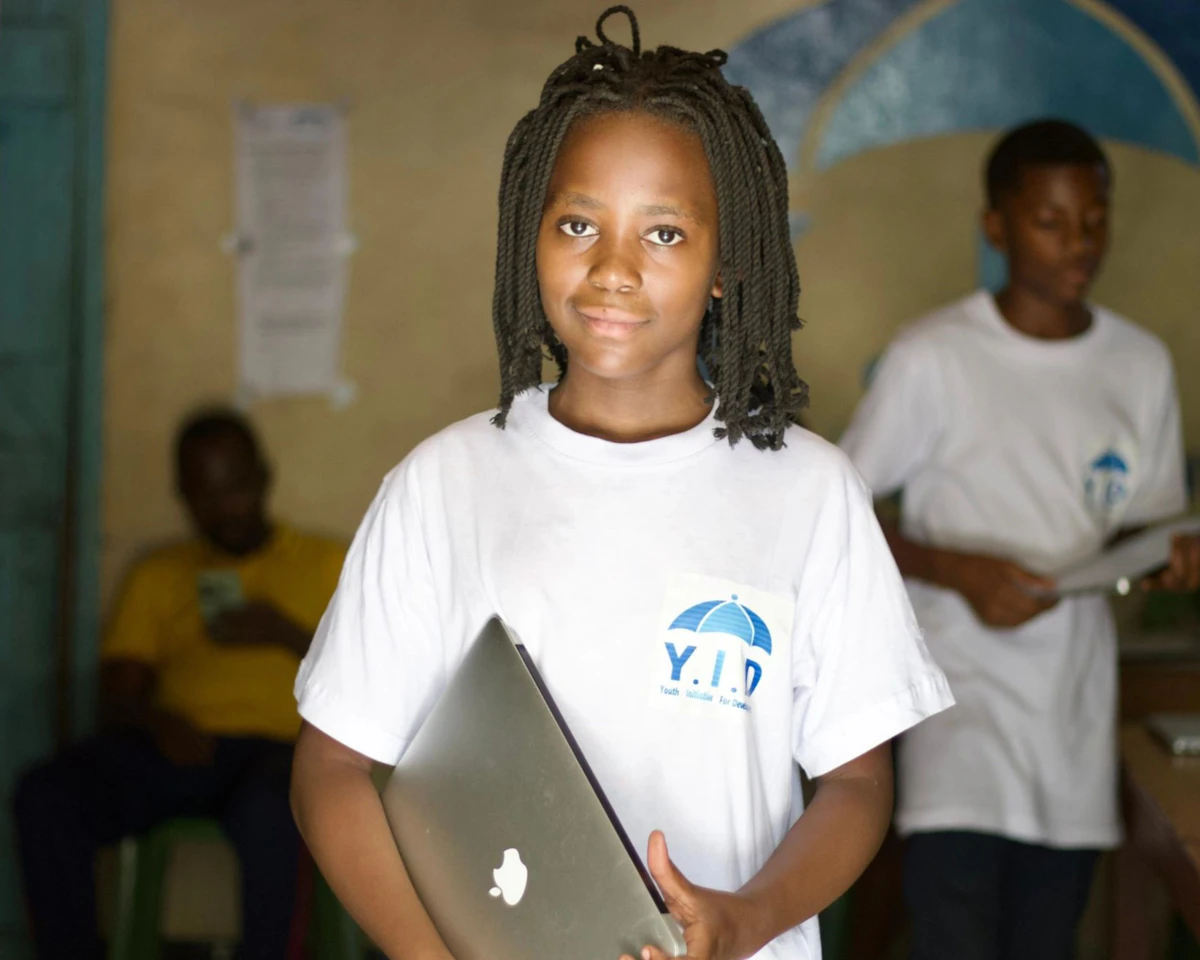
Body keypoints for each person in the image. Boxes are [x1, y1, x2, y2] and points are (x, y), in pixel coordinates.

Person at [289, 9, 953, 960]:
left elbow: (856, 786)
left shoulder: (809, 492)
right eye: (578, 223)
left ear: (727, 266)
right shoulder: (444, 485)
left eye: (666, 234)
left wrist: (747, 918)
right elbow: (332, 768)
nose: (612, 269)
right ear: (533, 233)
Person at [839, 118, 1200, 960]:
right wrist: (952, 568)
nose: (1078, 243)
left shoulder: (1139, 365)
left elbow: (1149, 526)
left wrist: (1170, 555)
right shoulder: (935, 356)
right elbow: (838, 516)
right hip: (956, 727)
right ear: (996, 225)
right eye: (1049, 220)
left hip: (1069, 730)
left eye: (1093, 219)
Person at [14, 410, 346, 960]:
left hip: (278, 750)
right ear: (184, 496)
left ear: (262, 477)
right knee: (46, 795)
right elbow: (120, 691)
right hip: (179, 747)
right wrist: (159, 723)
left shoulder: (326, 562)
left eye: (235, 486)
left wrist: (284, 633)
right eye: (204, 494)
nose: (224, 508)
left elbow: (369, 680)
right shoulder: (160, 572)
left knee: (272, 812)